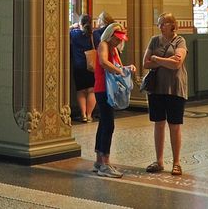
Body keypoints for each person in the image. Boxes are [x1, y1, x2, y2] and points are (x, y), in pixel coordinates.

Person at [142, 12, 188, 176]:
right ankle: (159, 161)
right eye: (159, 24)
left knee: (174, 126)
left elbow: (177, 63)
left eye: (163, 24)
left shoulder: (179, 41)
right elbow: (146, 63)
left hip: (175, 88)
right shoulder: (154, 40)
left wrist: (157, 59)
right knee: (158, 124)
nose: (160, 26)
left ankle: (176, 162)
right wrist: (160, 61)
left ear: (172, 25)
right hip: (156, 89)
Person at [93, 21, 135, 178]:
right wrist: (119, 71)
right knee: (109, 125)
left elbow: (119, 67)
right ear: (110, 36)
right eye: (117, 39)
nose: (119, 41)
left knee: (104, 123)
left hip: (110, 90)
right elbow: (104, 62)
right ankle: (105, 164)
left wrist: (128, 68)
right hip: (103, 89)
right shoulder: (103, 44)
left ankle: (99, 161)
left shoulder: (115, 50)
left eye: (121, 39)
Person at [69, 14, 96, 122]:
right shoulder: (92, 35)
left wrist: (72, 26)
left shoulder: (75, 34)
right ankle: (89, 115)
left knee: (81, 91)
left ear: (80, 23)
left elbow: (66, 30)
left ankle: (83, 115)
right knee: (91, 90)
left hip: (78, 65)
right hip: (91, 65)